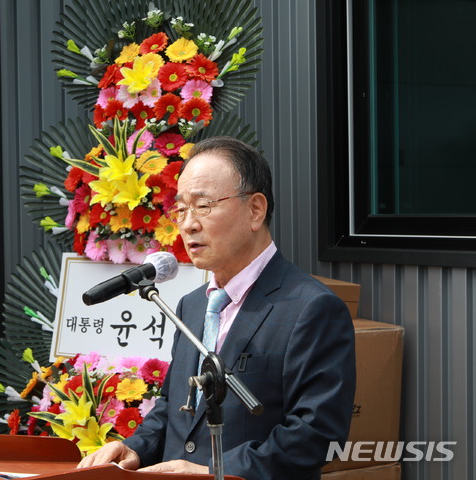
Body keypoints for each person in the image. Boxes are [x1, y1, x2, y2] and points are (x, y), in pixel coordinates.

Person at [78, 136, 356, 480]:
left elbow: (316, 436)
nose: (188, 224)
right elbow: (174, 408)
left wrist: (213, 471)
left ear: (256, 210)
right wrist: (136, 447)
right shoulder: (192, 305)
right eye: (181, 208)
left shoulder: (311, 308)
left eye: (204, 205)